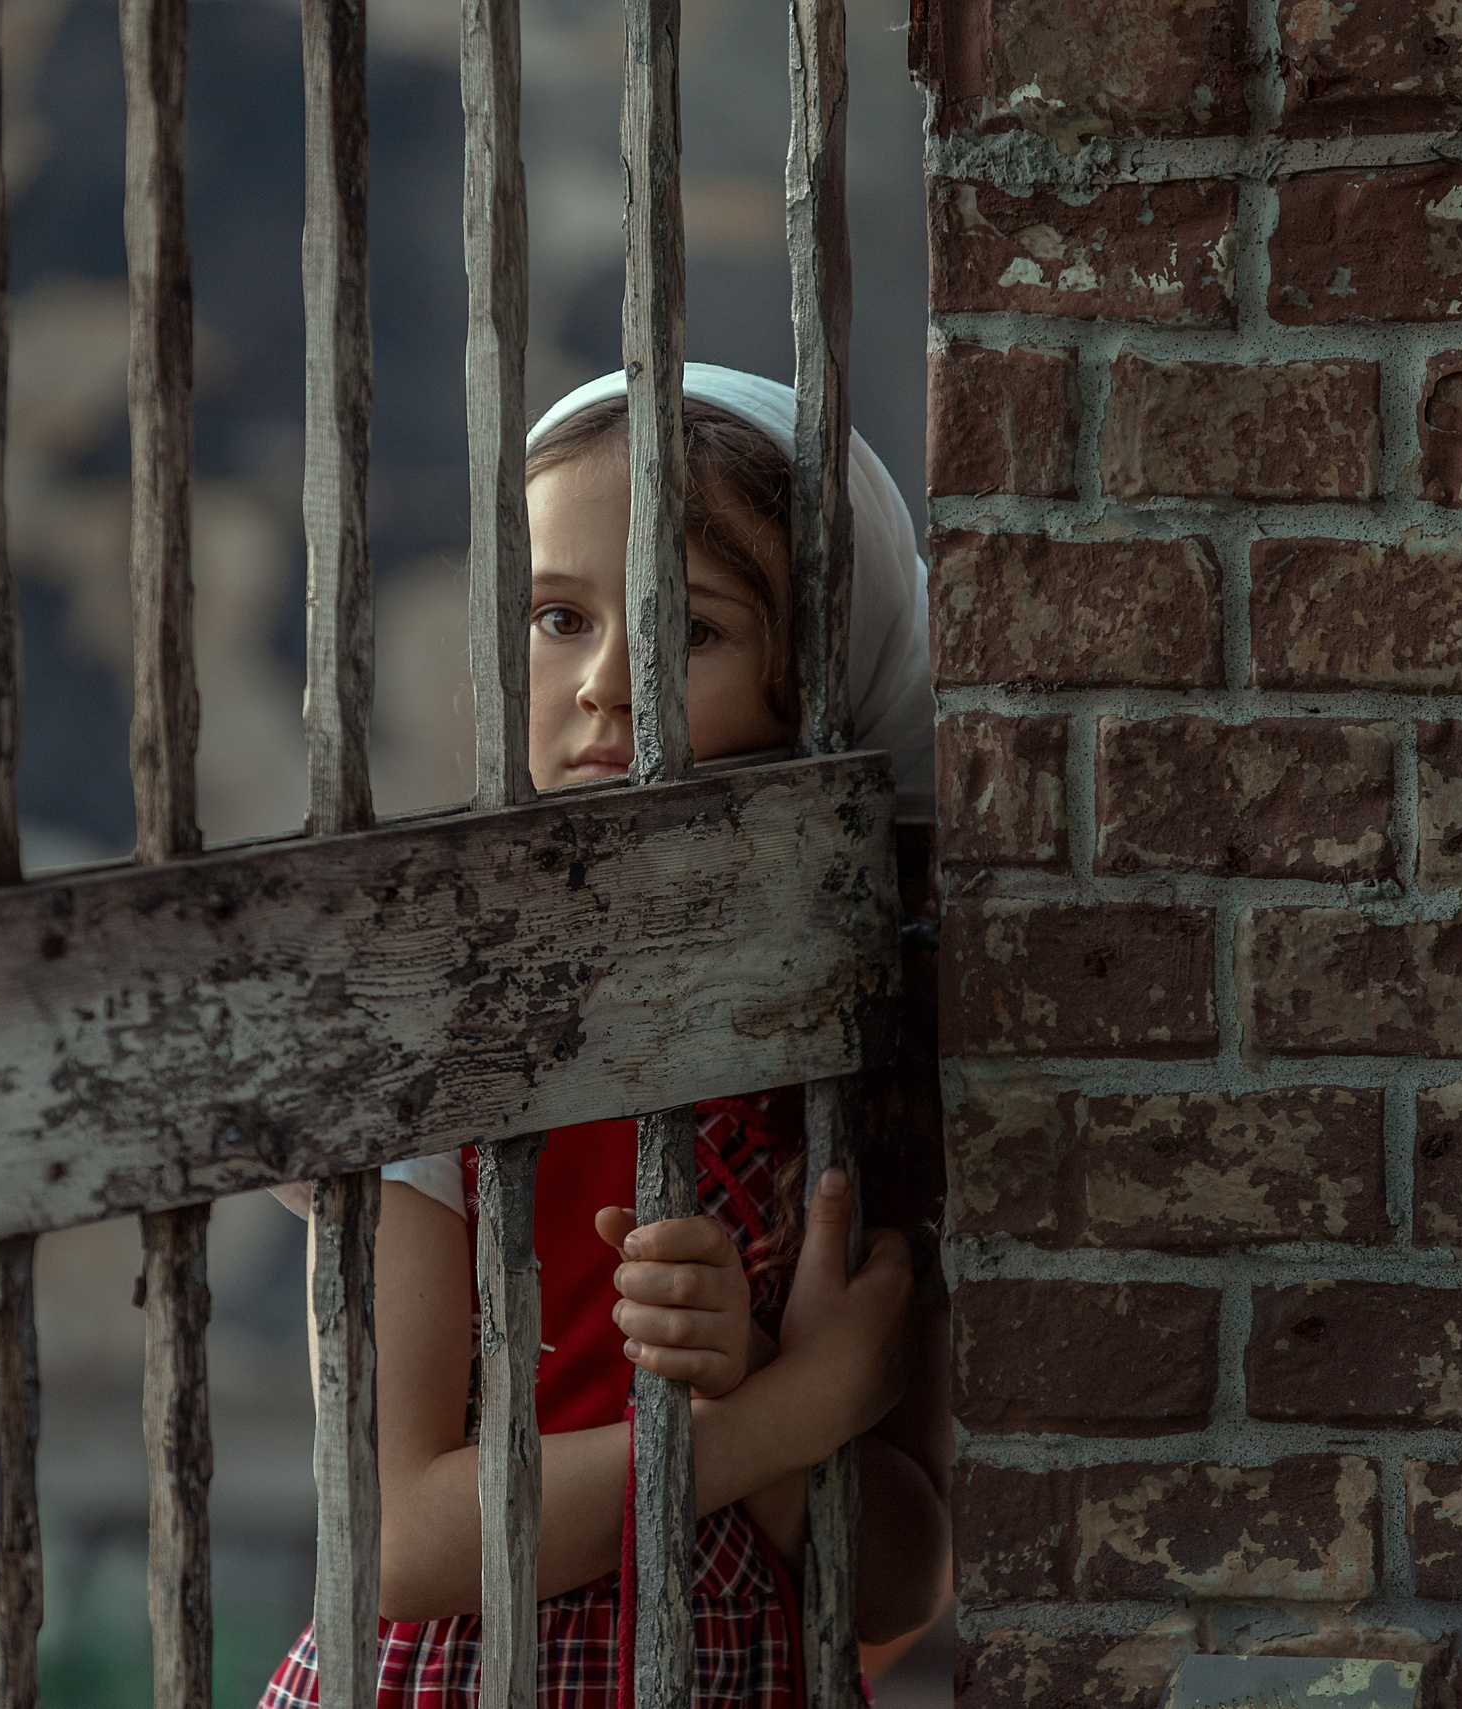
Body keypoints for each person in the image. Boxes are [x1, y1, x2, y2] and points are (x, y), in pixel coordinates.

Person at [263, 364, 949, 1709]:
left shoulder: (863, 1053)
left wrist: (755, 1367)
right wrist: (781, 1414)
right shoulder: (428, 1004)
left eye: (690, 631)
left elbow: (898, 1586)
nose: (605, 685)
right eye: (556, 616)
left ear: (822, 671)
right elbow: (391, 1535)